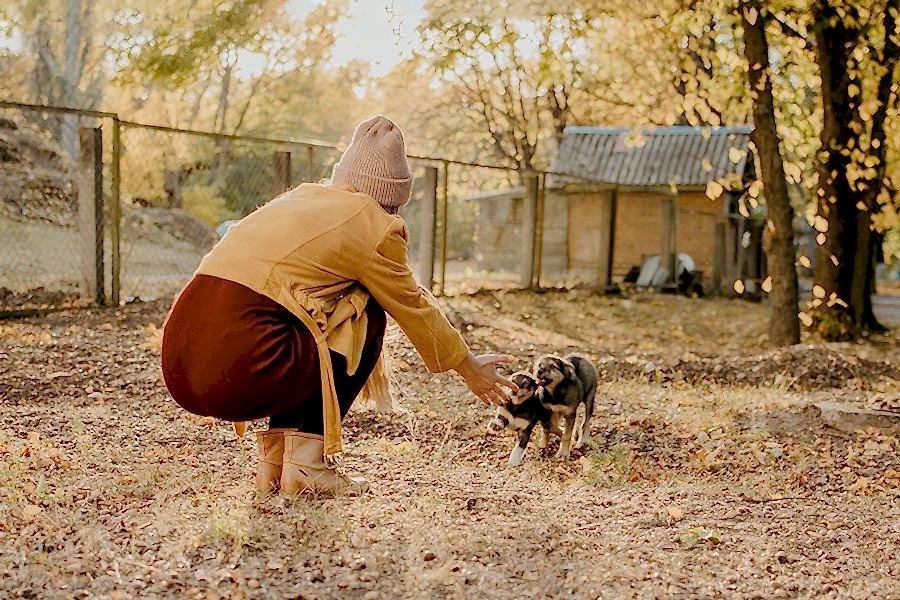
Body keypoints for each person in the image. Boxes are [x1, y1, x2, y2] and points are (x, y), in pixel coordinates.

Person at [160, 115, 516, 496]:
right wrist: (468, 367)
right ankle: (308, 467)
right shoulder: (375, 225)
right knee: (366, 309)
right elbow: (411, 304)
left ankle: (277, 464)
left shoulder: (301, 198)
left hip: (180, 366)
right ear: (392, 198)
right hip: (236, 371)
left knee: (306, 320)